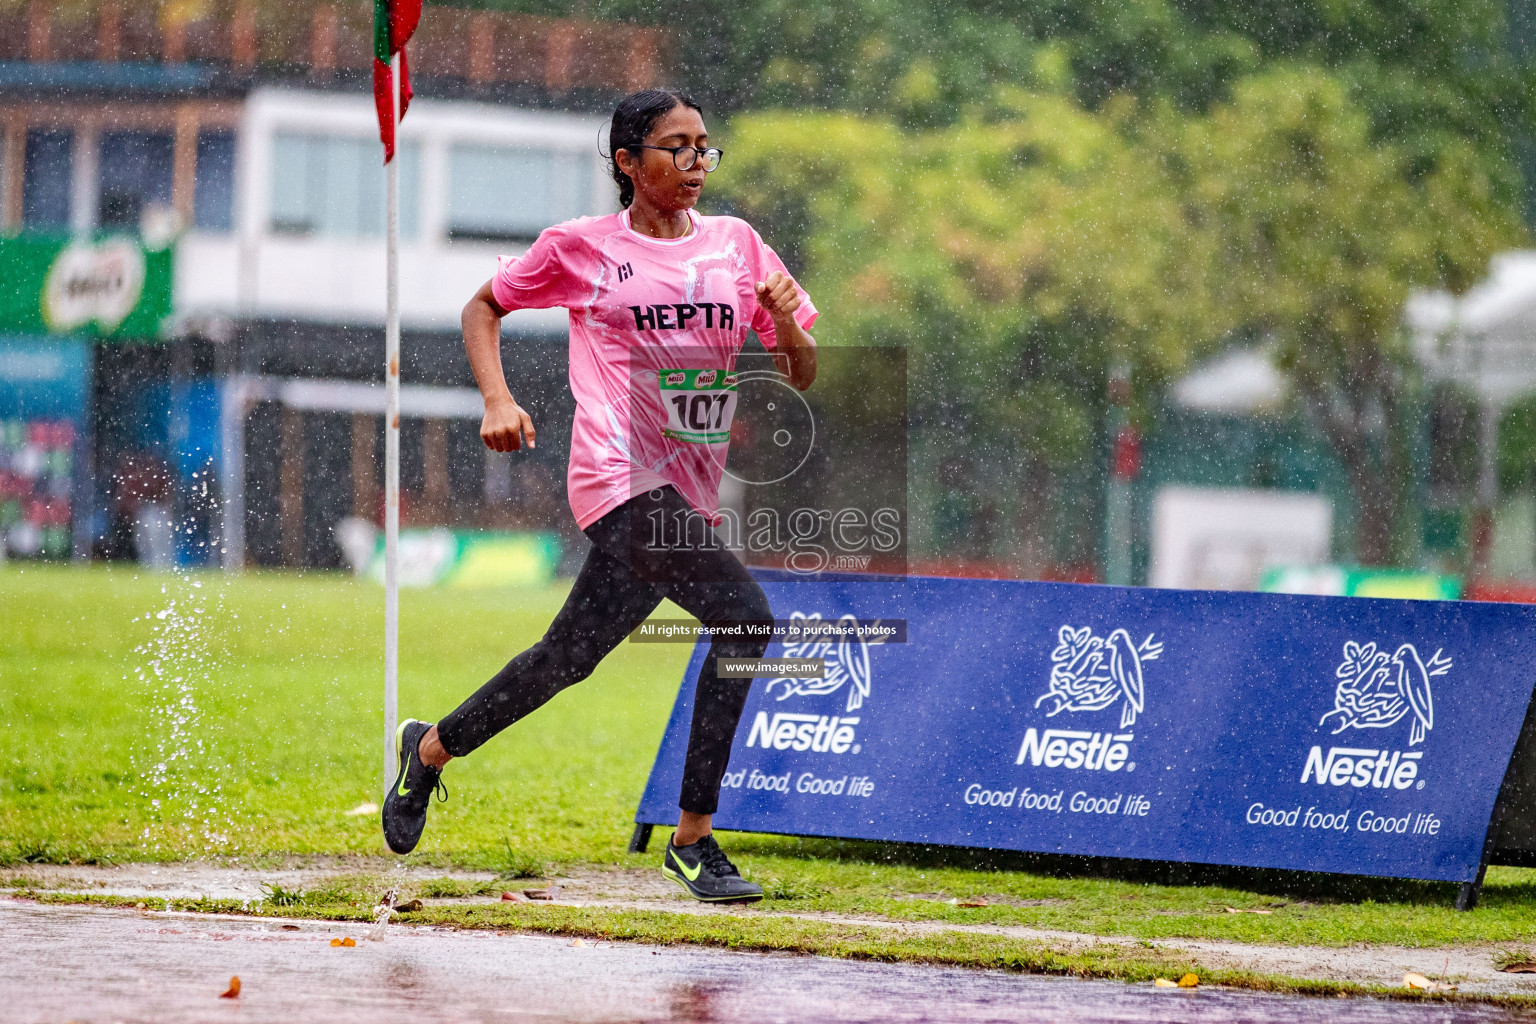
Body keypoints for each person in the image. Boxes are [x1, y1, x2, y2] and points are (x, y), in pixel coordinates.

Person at [382, 89, 818, 903]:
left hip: (687, 491)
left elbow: (799, 372)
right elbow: (484, 306)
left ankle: (430, 748)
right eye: (675, 148)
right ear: (627, 161)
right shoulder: (580, 248)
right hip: (615, 479)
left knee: (566, 659)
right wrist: (496, 399)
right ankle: (694, 839)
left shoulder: (738, 246)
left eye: (703, 148)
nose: (695, 164)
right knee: (748, 617)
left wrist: (786, 321)